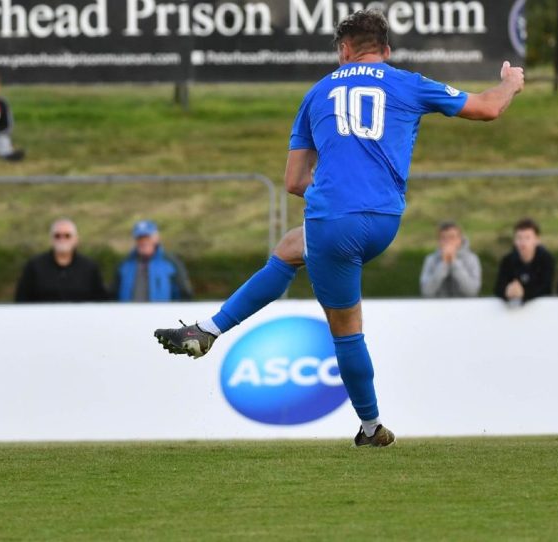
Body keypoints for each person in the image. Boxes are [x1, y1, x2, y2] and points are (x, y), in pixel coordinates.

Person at [153, 10, 524, 447]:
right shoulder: (408, 82)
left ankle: (367, 428)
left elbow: (293, 182)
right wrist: (510, 82)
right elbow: (489, 107)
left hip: (334, 223)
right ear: (386, 51)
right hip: (384, 221)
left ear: (343, 50)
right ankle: (209, 330)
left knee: (345, 324)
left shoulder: (316, 94)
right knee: (292, 246)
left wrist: (336, 190)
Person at [15, 219, 108, 302]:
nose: (62, 239)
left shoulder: (89, 268)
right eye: (57, 236)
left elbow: (100, 300)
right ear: (51, 239)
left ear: (76, 239)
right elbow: (22, 299)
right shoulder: (34, 266)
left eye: (67, 236)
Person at [114, 220, 192, 302]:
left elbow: (183, 293)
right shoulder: (124, 264)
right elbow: (114, 294)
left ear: (156, 238)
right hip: (129, 314)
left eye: (147, 237)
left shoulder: (171, 263)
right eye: (140, 238)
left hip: (161, 313)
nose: (143, 242)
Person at [494, 218, 555, 304]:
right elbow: (498, 288)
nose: (523, 243)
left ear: (537, 240)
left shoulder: (546, 259)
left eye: (527, 238)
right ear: (514, 241)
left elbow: (546, 288)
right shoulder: (507, 261)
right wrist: (507, 291)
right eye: (519, 238)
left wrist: (524, 293)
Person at [420, 222, 482, 298]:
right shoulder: (431, 259)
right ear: (439, 241)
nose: (448, 241)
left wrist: (454, 263)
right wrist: (443, 264)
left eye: (452, 237)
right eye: (443, 238)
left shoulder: (472, 259)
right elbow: (426, 292)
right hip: (437, 307)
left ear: (460, 239)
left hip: (465, 307)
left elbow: (472, 291)